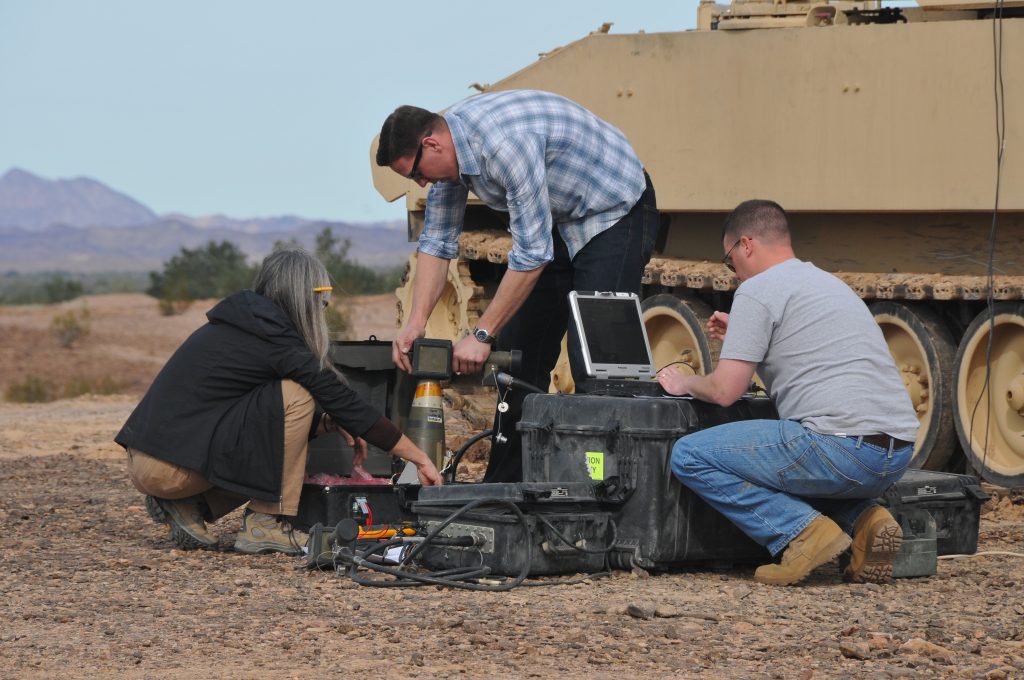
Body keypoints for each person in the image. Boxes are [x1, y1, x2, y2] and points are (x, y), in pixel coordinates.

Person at [376, 89, 659, 482]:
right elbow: (438, 244)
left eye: (416, 173)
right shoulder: (450, 156)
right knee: (522, 356)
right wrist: (415, 322)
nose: (421, 183)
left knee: (597, 361)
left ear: (432, 143)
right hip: (558, 219)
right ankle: (505, 486)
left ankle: (609, 484)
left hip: (613, 211)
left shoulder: (505, 146)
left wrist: (481, 332)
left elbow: (531, 255)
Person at [656, 200, 918, 586]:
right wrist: (748, 337)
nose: (734, 274)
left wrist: (683, 382)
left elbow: (725, 391)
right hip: (893, 454)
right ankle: (867, 521)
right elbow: (807, 355)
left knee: (691, 455)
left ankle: (801, 534)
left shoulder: (758, 290)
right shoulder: (828, 283)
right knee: (789, 463)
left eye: (730, 262)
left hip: (837, 449)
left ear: (746, 245)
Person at [116, 248, 442, 555]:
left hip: (152, 459)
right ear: (304, 299)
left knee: (290, 416)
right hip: (171, 467)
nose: (323, 312)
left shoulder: (244, 325)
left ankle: (191, 505)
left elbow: (252, 420)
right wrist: (419, 459)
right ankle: (265, 522)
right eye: (322, 303)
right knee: (297, 395)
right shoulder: (277, 340)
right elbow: (344, 401)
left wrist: (326, 423)